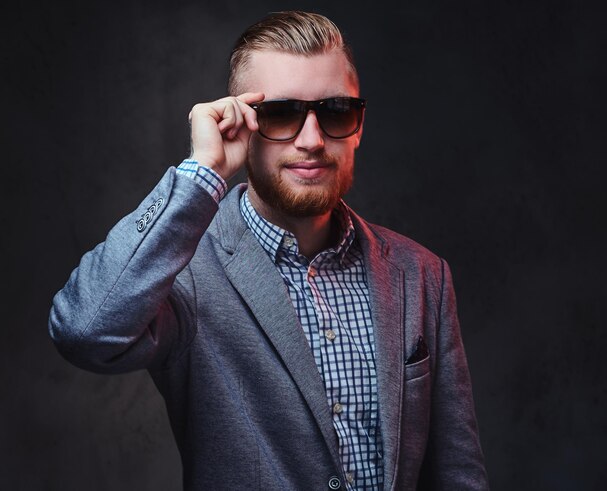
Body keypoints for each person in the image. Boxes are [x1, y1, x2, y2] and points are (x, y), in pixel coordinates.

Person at [49, 11, 489, 491]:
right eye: (281, 114)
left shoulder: (421, 273)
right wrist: (202, 175)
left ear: (359, 125)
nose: (313, 140)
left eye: (336, 111)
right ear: (241, 123)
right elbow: (84, 330)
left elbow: (457, 472)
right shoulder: (184, 272)